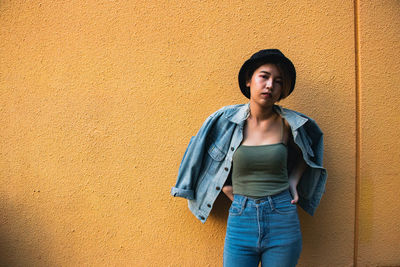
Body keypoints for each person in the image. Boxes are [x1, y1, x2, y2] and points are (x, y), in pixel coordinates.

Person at [171, 49, 327, 267]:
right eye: (264, 76)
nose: (270, 85)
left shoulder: (288, 125)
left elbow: (306, 154)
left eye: (278, 81)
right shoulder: (226, 121)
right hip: (240, 219)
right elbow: (199, 153)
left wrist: (293, 180)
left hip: (282, 217)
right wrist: (225, 187)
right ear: (248, 80)